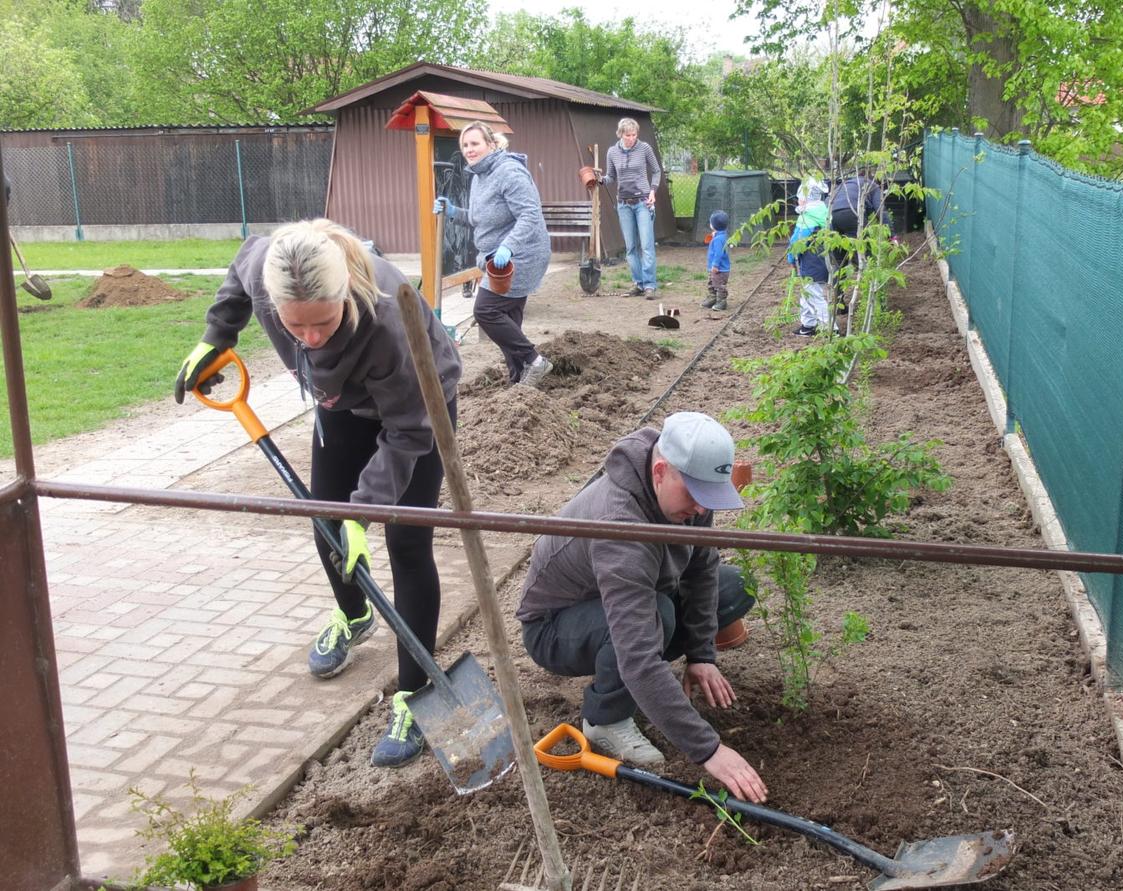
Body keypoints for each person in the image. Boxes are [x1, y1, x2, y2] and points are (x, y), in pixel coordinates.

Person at [173, 218, 462, 769]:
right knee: (325, 525)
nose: (308, 338)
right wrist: (218, 333)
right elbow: (243, 262)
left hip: (419, 408)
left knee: (406, 544)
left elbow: (407, 431)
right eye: (294, 325)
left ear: (345, 297)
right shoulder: (267, 269)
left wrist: (365, 513)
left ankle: (415, 692)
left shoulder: (384, 322)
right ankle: (355, 615)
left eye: (323, 323)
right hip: (344, 407)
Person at [517, 412, 768, 804]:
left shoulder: (690, 492)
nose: (701, 511)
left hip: (637, 593)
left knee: (732, 586)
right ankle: (605, 718)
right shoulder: (619, 526)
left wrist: (702, 654)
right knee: (655, 618)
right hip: (556, 626)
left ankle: (657, 667)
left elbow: (701, 571)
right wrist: (709, 750)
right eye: (695, 496)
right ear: (661, 471)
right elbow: (637, 657)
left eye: (709, 497)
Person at [436, 121, 553, 387]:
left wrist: (508, 246)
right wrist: (454, 212)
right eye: (465, 145)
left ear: (490, 144)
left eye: (475, 143)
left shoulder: (508, 171)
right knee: (509, 321)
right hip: (498, 254)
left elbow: (530, 214)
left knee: (486, 311)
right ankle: (519, 379)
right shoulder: (479, 176)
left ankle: (535, 362)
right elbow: (483, 220)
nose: (469, 149)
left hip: (524, 253)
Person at [600, 118, 662, 299]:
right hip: (623, 204)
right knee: (630, 248)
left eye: (634, 135)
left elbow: (657, 171)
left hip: (643, 202)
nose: (631, 138)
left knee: (647, 245)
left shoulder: (644, 149)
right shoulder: (612, 152)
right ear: (620, 134)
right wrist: (600, 179)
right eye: (628, 135)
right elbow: (611, 176)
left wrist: (653, 191)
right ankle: (639, 283)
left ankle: (650, 285)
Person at [828, 168, 886, 309]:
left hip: (831, 216)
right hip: (852, 215)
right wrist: (892, 235)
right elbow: (880, 210)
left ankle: (838, 302)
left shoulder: (845, 184)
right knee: (864, 258)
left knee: (839, 263)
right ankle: (873, 303)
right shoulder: (872, 185)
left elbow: (828, 200)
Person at [787, 186, 832, 337]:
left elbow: (797, 241)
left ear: (805, 198)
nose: (798, 200)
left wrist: (791, 257)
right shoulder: (824, 214)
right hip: (823, 260)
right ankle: (808, 325)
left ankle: (831, 328)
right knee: (807, 293)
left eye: (799, 197)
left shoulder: (807, 217)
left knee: (814, 295)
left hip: (811, 263)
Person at [700, 210, 730, 312]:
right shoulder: (721, 235)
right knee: (712, 282)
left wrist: (715, 265)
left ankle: (721, 302)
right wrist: (715, 235)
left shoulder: (718, 240)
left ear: (713, 225)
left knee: (719, 285)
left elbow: (718, 254)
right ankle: (712, 298)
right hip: (716, 268)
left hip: (719, 269)